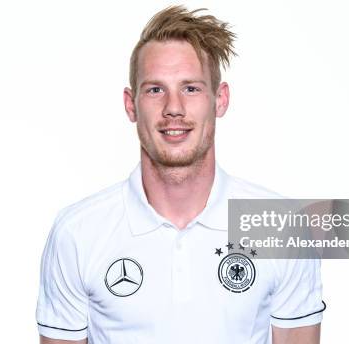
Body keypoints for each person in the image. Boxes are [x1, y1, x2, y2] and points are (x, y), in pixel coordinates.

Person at [36, 5, 324, 344]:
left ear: (220, 99)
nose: (174, 108)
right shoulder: (78, 233)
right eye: (156, 89)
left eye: (191, 88)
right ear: (132, 105)